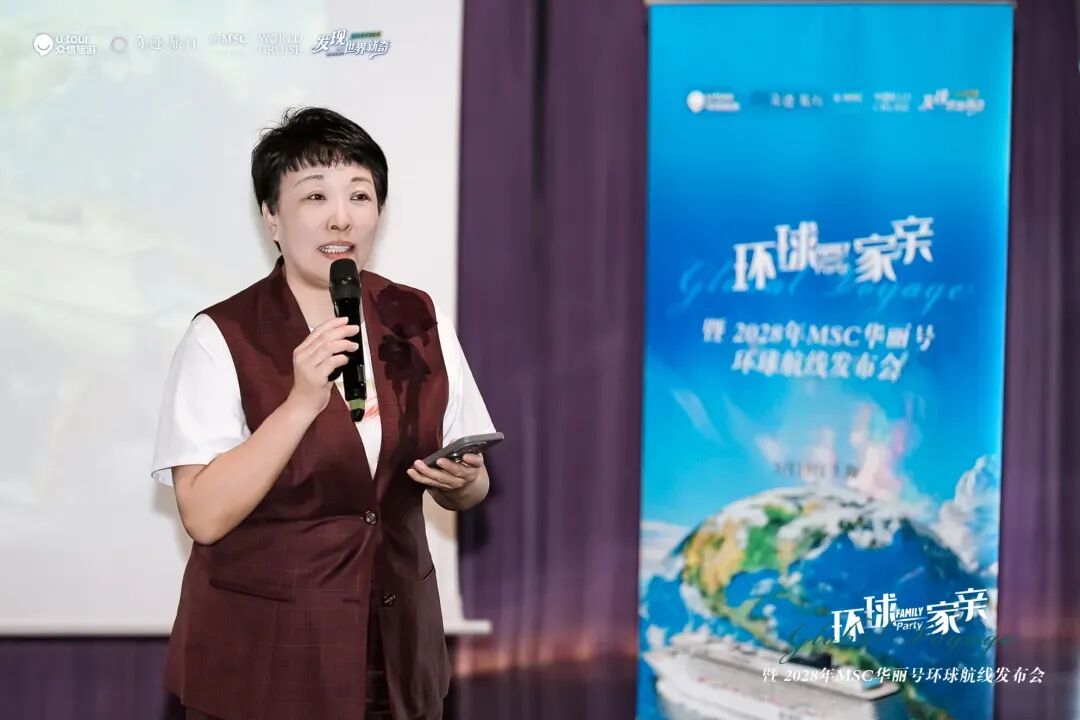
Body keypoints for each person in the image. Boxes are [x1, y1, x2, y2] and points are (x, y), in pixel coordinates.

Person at [151, 107, 497, 720]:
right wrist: (300, 402)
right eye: (315, 196)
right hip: (263, 666)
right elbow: (203, 515)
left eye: (359, 195)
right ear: (271, 217)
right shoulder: (222, 334)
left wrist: (462, 482)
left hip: (395, 658)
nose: (341, 217)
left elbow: (469, 482)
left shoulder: (417, 317)